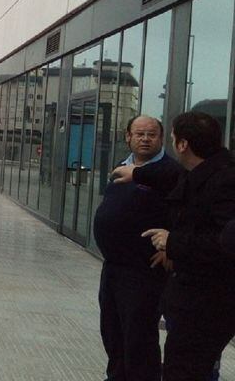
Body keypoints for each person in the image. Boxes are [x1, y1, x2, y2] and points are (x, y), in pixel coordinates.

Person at [137, 112, 235, 381]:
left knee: (185, 370)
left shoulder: (225, 181)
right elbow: (166, 178)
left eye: (171, 138)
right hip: (189, 299)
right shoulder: (198, 173)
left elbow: (225, 243)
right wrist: (135, 173)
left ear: (183, 145)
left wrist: (173, 242)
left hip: (208, 304)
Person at [93, 115, 181, 381]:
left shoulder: (170, 173)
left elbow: (186, 214)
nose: (145, 139)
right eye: (139, 134)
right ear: (128, 136)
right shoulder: (123, 166)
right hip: (113, 266)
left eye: (151, 135)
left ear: (161, 139)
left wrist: (172, 247)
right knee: (112, 330)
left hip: (144, 270)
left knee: (138, 336)